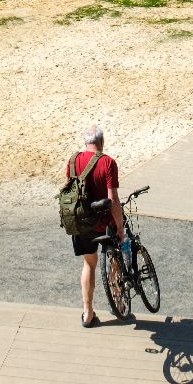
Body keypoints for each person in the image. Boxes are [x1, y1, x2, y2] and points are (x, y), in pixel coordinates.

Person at [67, 125, 124, 327]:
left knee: (89, 264)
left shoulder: (73, 160)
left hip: (82, 223)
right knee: (115, 259)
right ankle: (118, 303)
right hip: (105, 223)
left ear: (86, 142)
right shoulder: (108, 162)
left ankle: (88, 313)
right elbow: (113, 198)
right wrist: (120, 227)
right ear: (102, 142)